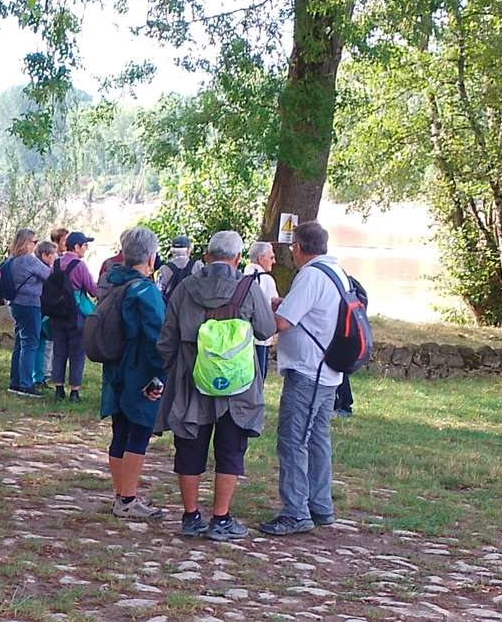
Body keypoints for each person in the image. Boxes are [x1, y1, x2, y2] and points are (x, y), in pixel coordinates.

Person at [155, 230, 276, 542]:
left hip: (191, 380)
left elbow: (166, 340)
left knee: (189, 446)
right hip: (238, 386)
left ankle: (191, 517)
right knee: (231, 448)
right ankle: (221, 519)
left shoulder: (185, 288)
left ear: (207, 256)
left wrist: (176, 370)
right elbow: (266, 330)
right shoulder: (248, 288)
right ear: (237, 259)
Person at [260, 221, 348, 536]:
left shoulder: (310, 275)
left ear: (298, 247)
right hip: (328, 371)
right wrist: (285, 304)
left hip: (308, 370)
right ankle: (320, 505)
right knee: (317, 439)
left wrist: (263, 313)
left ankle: (296, 512)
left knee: (293, 440)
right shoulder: (336, 272)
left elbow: (283, 323)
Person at [100, 228, 169, 520]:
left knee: (120, 432)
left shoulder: (112, 281)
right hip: (140, 370)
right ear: (151, 257)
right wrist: (159, 375)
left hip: (114, 367)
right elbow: (158, 336)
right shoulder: (145, 290)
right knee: (138, 432)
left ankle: (121, 494)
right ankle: (128, 499)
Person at [44, 231, 100, 401]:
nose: (86, 248)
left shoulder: (56, 263)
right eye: (84, 245)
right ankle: (74, 391)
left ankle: (58, 388)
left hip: (56, 312)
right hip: (75, 313)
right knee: (77, 352)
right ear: (76, 247)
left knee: (59, 350)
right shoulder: (80, 265)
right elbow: (92, 289)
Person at [3, 230, 50, 396]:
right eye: (34, 242)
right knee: (30, 343)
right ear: (26, 243)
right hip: (30, 304)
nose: (35, 245)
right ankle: (26, 384)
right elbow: (49, 275)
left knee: (19, 343)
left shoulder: (11, 260)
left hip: (15, 304)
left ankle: (15, 381)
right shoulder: (29, 260)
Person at [247, 241, 279, 364]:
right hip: (260, 338)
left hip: (241, 337)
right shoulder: (266, 279)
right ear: (260, 259)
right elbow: (273, 309)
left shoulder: (242, 276)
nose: (274, 261)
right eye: (271, 257)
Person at [158, 234, 198, 298]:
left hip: (171, 303)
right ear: (188, 250)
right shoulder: (198, 265)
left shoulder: (164, 269)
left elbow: (159, 292)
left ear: (172, 251)